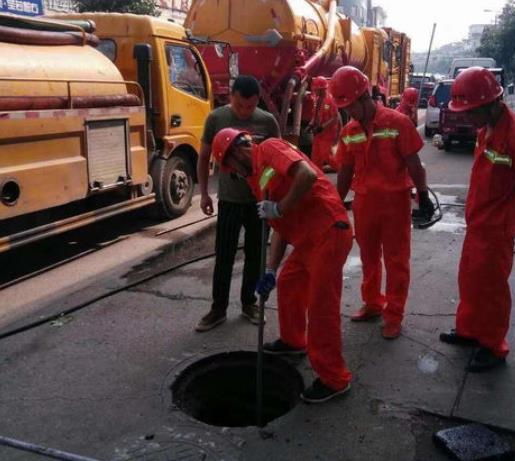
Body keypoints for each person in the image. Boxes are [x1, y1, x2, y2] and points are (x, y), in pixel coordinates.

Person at [210, 128, 354, 403]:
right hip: (308, 240)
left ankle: (334, 379)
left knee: (321, 306)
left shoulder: (269, 148)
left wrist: (280, 207)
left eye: (232, 167)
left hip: (329, 230)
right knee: (288, 282)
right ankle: (293, 341)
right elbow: (279, 227)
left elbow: (307, 176)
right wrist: (270, 270)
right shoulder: (254, 179)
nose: (235, 174)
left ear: (238, 151)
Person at [331, 66, 433, 339]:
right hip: (364, 203)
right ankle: (373, 303)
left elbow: (414, 163)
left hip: (395, 203)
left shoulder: (397, 123)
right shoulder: (349, 130)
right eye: (345, 107)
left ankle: (394, 314)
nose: (349, 113)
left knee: (396, 260)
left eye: (351, 106)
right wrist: (336, 205)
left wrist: (422, 196)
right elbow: (344, 172)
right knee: (368, 256)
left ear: (365, 96)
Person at [439, 67, 514, 372]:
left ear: (490, 103)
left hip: (498, 227)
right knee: (470, 280)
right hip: (478, 222)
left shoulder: (512, 133)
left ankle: (493, 345)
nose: (468, 118)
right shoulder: (486, 129)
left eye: (471, 111)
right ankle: (470, 330)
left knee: (492, 288)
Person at [195, 75, 280, 332]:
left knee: (256, 254)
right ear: (231, 96)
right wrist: (204, 194)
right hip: (230, 200)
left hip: (259, 202)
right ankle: (218, 308)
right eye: (241, 106)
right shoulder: (216, 119)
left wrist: (272, 195)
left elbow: (278, 159)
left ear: (257, 101)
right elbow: (204, 156)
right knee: (224, 255)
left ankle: (249, 303)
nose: (245, 112)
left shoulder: (267, 121)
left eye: (251, 106)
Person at [307, 76, 341, 170]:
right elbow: (315, 115)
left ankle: (343, 171)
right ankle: (317, 179)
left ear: (322, 89)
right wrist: (310, 125)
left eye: (317, 89)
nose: (315, 91)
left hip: (328, 134)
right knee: (315, 157)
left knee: (326, 156)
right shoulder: (317, 100)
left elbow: (335, 118)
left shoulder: (331, 100)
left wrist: (322, 127)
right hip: (318, 134)